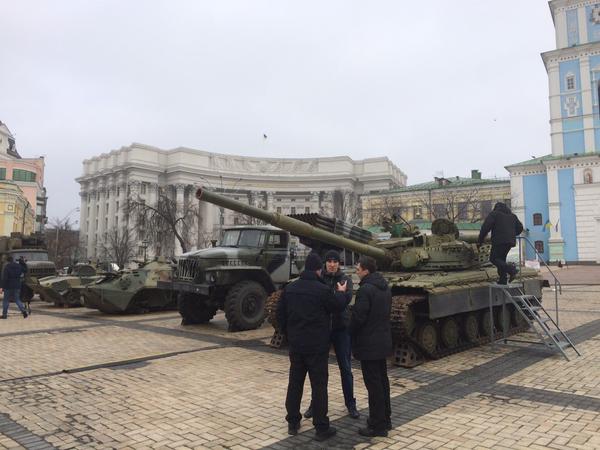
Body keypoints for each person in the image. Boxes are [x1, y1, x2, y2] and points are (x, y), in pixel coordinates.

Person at [277, 252, 349, 442]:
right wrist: (342, 293)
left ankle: (293, 422)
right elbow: (337, 306)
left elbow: (280, 315)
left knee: (295, 383)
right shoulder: (322, 289)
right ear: (319, 270)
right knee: (319, 386)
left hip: (296, 345)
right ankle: (321, 426)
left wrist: (289, 334)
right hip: (317, 346)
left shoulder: (290, 288)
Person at [304, 249, 359, 420]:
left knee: (346, 368)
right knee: (318, 370)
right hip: (323, 329)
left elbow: (346, 299)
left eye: (335, 261)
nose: (332, 264)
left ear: (339, 264)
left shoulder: (345, 279)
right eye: (329, 261)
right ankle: (315, 403)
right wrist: (335, 296)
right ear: (325, 263)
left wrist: (335, 297)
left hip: (341, 328)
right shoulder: (319, 279)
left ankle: (350, 403)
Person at [349, 255, 392, 437]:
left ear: (366, 270)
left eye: (358, 269)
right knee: (382, 382)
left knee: (373, 386)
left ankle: (377, 425)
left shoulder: (366, 290)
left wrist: (349, 330)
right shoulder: (384, 286)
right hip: (382, 341)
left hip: (369, 344)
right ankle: (385, 418)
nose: (356, 272)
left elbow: (359, 317)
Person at [478, 202, 524, 285]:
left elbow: (485, 227)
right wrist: (511, 234)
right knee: (501, 260)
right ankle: (503, 280)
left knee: (493, 259)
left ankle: (511, 270)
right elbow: (520, 228)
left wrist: (480, 240)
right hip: (510, 242)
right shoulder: (512, 216)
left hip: (499, 241)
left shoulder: (494, 214)